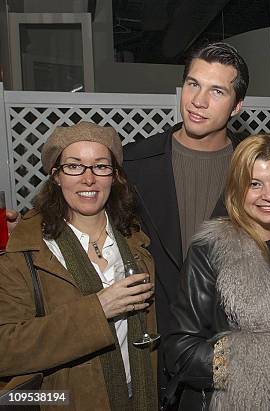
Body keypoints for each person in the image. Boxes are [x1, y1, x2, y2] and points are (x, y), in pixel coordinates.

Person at [163, 134, 270, 410]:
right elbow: (180, 354)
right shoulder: (211, 249)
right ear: (236, 189)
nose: (268, 195)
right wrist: (268, 350)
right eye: (254, 184)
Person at [0, 121, 157, 410]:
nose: (88, 179)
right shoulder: (27, 250)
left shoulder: (136, 241)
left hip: (139, 396)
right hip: (67, 401)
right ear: (56, 176)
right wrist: (98, 310)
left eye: (100, 166)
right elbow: (6, 348)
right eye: (74, 166)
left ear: (114, 176)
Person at [122, 41, 249, 390]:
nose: (198, 100)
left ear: (237, 106)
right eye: (193, 84)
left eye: (217, 91)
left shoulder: (255, 170)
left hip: (227, 358)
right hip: (150, 354)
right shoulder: (134, 163)